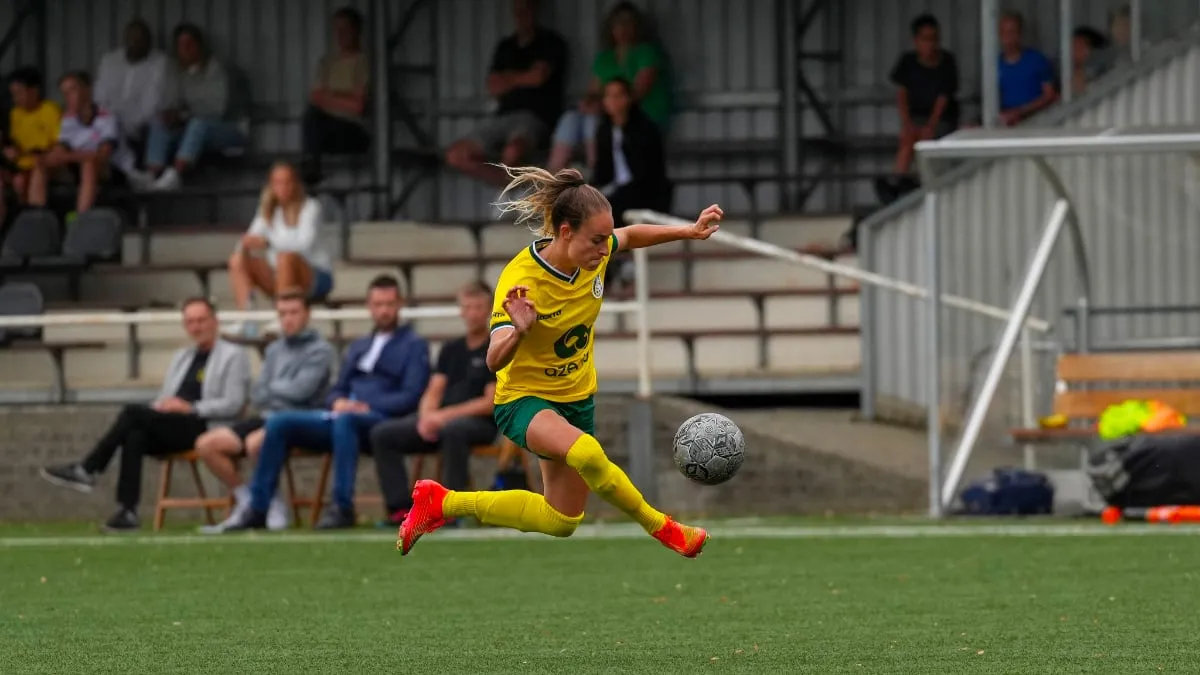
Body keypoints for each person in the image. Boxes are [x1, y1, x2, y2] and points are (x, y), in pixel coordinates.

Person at [397, 166, 721, 558]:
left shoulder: (594, 255)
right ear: (566, 233)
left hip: (576, 398)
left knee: (561, 520)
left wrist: (690, 230)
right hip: (524, 400)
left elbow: (631, 235)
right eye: (597, 241)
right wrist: (517, 331)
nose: (605, 251)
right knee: (586, 454)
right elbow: (493, 360)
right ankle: (664, 528)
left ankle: (441, 503)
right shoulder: (522, 281)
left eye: (606, 240)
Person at [224, 275, 431, 531]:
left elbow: (411, 395)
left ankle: (342, 507)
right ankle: (258, 508)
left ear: (400, 304)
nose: (384, 310)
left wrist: (365, 406)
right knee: (279, 422)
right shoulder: (359, 346)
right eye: (378, 304)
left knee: (346, 421)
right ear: (369, 306)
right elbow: (337, 389)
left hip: (380, 419)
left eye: (389, 304)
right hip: (341, 416)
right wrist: (338, 402)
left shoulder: (414, 345)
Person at [38, 298, 250, 532]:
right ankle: (127, 512)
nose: (196, 327)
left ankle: (88, 469)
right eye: (190, 322)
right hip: (173, 424)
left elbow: (234, 403)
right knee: (134, 435)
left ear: (215, 322)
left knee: (132, 413)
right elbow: (165, 396)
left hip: (206, 426)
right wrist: (161, 406)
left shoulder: (234, 355)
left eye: (201, 320)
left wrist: (192, 408)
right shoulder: (182, 356)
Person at [194, 291, 336, 533]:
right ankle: (248, 500)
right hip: (267, 415)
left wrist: (272, 388)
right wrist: (277, 389)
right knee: (207, 444)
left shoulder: (321, 350)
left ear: (307, 314)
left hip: (301, 418)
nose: (288, 319)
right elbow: (258, 393)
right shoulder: (274, 349)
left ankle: (273, 504)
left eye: (294, 313)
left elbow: (301, 391)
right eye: (283, 314)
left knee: (256, 443)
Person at [371, 281, 498, 525]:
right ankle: (399, 510)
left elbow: (489, 402)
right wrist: (427, 416)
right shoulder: (451, 349)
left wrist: (442, 417)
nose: (472, 314)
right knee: (382, 434)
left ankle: (449, 511)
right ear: (460, 310)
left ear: (490, 310)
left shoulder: (495, 347)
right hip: (441, 421)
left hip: (480, 424)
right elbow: (434, 389)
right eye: (468, 307)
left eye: (479, 307)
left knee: (454, 431)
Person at [444, 0, 567, 187]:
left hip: (535, 117)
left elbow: (538, 77)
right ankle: (506, 190)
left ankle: (505, 195)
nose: (521, 15)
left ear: (535, 10)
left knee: (512, 152)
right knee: (455, 155)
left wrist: (508, 78)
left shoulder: (550, 42)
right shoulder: (505, 46)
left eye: (525, 9)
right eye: (517, 11)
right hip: (502, 117)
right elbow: (493, 87)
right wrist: (523, 76)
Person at [547, 1, 671, 172]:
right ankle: (550, 179)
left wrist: (603, 107)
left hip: (638, 119)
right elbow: (593, 92)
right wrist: (587, 103)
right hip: (608, 115)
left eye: (628, 22)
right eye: (618, 23)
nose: (623, 28)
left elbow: (637, 94)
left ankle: (596, 174)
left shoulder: (646, 53)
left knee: (594, 122)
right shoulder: (605, 58)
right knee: (570, 118)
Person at [226, 162, 334, 337]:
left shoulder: (310, 207)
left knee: (286, 258)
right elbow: (249, 238)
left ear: (296, 184)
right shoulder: (267, 210)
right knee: (237, 260)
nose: (282, 188)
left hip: (314, 274)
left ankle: (283, 316)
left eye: (287, 182)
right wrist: (246, 246)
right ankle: (247, 319)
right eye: (277, 182)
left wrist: (268, 243)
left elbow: (303, 245)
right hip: (279, 275)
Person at [141, 23, 246, 191]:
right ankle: (152, 175)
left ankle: (176, 174)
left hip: (231, 131)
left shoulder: (217, 69)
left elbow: (217, 109)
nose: (186, 49)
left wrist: (183, 115)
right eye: (181, 45)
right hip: (193, 132)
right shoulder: (177, 72)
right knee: (159, 122)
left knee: (199, 124)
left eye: (190, 44)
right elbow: (174, 102)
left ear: (200, 46)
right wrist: (172, 115)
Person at [27, 71, 137, 217]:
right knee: (41, 164)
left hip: (115, 170)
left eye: (72, 90)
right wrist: (47, 158)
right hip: (78, 166)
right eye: (64, 93)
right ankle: (36, 218)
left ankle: (81, 219)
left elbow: (103, 154)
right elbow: (61, 150)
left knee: (89, 164)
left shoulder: (107, 117)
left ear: (86, 90)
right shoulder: (69, 119)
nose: (68, 97)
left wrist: (68, 157)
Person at [876, 14, 959, 204]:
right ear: (916, 41)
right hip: (916, 117)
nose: (930, 44)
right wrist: (906, 123)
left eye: (934, 39)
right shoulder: (908, 62)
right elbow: (902, 95)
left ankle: (925, 186)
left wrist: (931, 124)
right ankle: (897, 183)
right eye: (925, 39)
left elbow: (943, 98)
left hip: (943, 119)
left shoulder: (947, 61)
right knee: (908, 140)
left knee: (926, 139)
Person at [301, 6, 370, 184]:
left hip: (354, 130)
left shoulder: (364, 62)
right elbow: (315, 97)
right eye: (337, 30)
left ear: (356, 31)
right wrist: (343, 97)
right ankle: (311, 169)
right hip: (325, 128)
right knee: (311, 116)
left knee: (314, 117)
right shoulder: (326, 63)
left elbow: (358, 106)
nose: (341, 34)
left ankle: (312, 168)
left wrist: (329, 97)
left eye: (345, 29)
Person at [94, 18, 169, 143]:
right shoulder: (110, 61)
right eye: (131, 38)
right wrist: (107, 121)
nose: (135, 42)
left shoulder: (159, 63)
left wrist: (130, 126)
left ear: (149, 42)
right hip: (108, 124)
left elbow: (151, 103)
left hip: (140, 128)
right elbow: (100, 97)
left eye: (140, 39)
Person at [2, 67, 61, 225]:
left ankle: (35, 221)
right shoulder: (15, 114)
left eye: (19, 93)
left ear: (34, 91)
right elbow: (15, 144)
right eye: (13, 94)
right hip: (21, 165)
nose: (15, 99)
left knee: (28, 176)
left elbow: (57, 145)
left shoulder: (50, 110)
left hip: (44, 164)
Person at [996, 11, 1057, 127]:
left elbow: (1050, 95)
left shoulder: (1037, 60)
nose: (1008, 37)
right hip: (1006, 124)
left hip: (1038, 121)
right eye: (1003, 32)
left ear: (1020, 34)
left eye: (1012, 32)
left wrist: (1020, 111)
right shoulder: (995, 65)